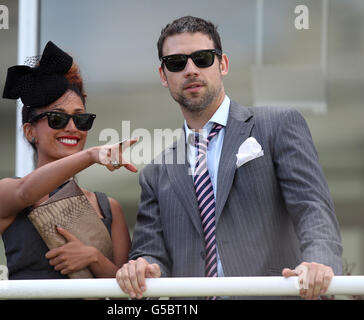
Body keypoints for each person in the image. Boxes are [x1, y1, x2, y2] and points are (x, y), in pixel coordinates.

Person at [116, 16, 343, 300]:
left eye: (202, 59)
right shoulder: (156, 172)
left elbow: (311, 206)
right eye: (176, 63)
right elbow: (150, 252)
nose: (190, 70)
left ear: (222, 64)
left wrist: (320, 261)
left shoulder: (277, 125)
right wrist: (143, 267)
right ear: (164, 75)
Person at [0, 41, 136, 279]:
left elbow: (126, 292)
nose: (72, 128)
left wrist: (93, 256)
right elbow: (26, 193)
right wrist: (90, 156)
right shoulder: (7, 192)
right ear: (30, 132)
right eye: (57, 119)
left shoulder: (108, 208)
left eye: (81, 120)